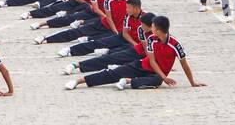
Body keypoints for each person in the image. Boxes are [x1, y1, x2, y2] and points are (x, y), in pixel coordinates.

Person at [65, 15, 204, 90]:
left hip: (155, 74)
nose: (151, 28)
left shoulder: (175, 44)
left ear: (160, 30)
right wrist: (164, 76)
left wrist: (192, 82)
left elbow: (184, 64)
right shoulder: (151, 39)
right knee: (111, 74)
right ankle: (79, 81)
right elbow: (152, 60)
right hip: (142, 65)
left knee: (157, 80)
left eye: (153, 26)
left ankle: (128, 81)